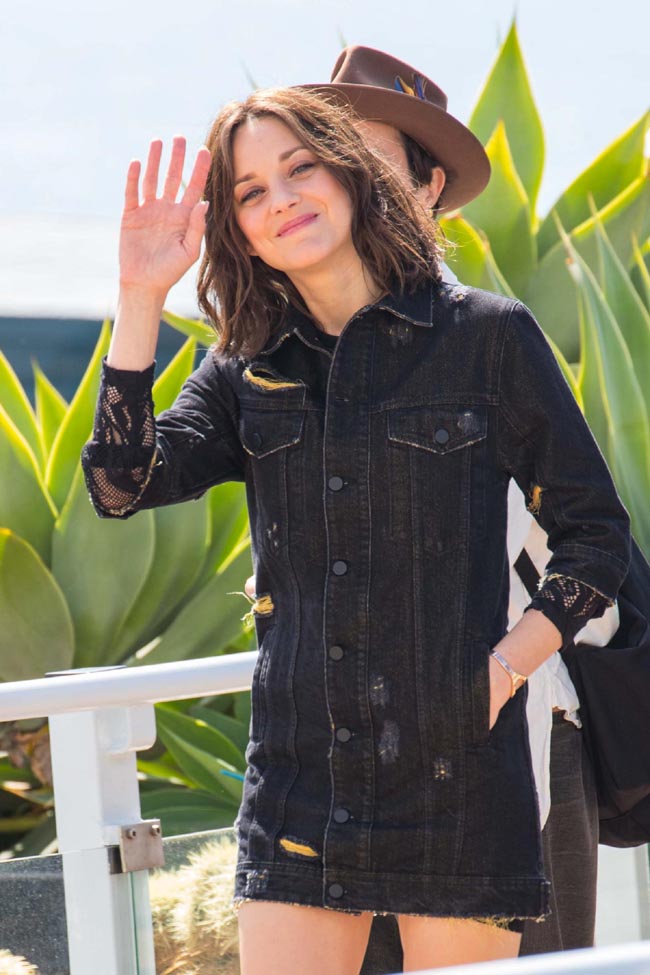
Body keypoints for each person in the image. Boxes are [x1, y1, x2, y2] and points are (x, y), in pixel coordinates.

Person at [81, 85, 630, 974]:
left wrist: (502, 670)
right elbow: (120, 483)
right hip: (300, 782)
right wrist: (140, 293)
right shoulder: (242, 370)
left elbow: (595, 533)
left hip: (458, 777)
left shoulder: (487, 337)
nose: (282, 199)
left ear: (350, 177)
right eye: (252, 192)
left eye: (300, 169)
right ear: (240, 229)